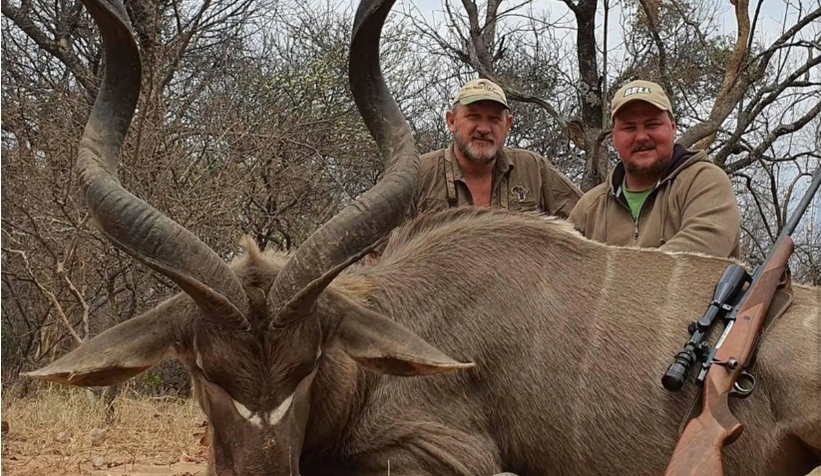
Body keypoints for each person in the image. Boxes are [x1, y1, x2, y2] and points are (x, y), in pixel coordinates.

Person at [568, 79, 741, 258]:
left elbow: (700, 256)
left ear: (673, 128)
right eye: (629, 128)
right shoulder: (589, 208)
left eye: (652, 125)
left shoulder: (704, 181)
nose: (641, 137)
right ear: (614, 138)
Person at [408, 78, 582, 219]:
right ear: (451, 121)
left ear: (508, 124)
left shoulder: (534, 169)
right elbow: (382, 245)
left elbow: (589, 219)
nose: (484, 129)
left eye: (494, 119)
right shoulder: (419, 174)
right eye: (473, 117)